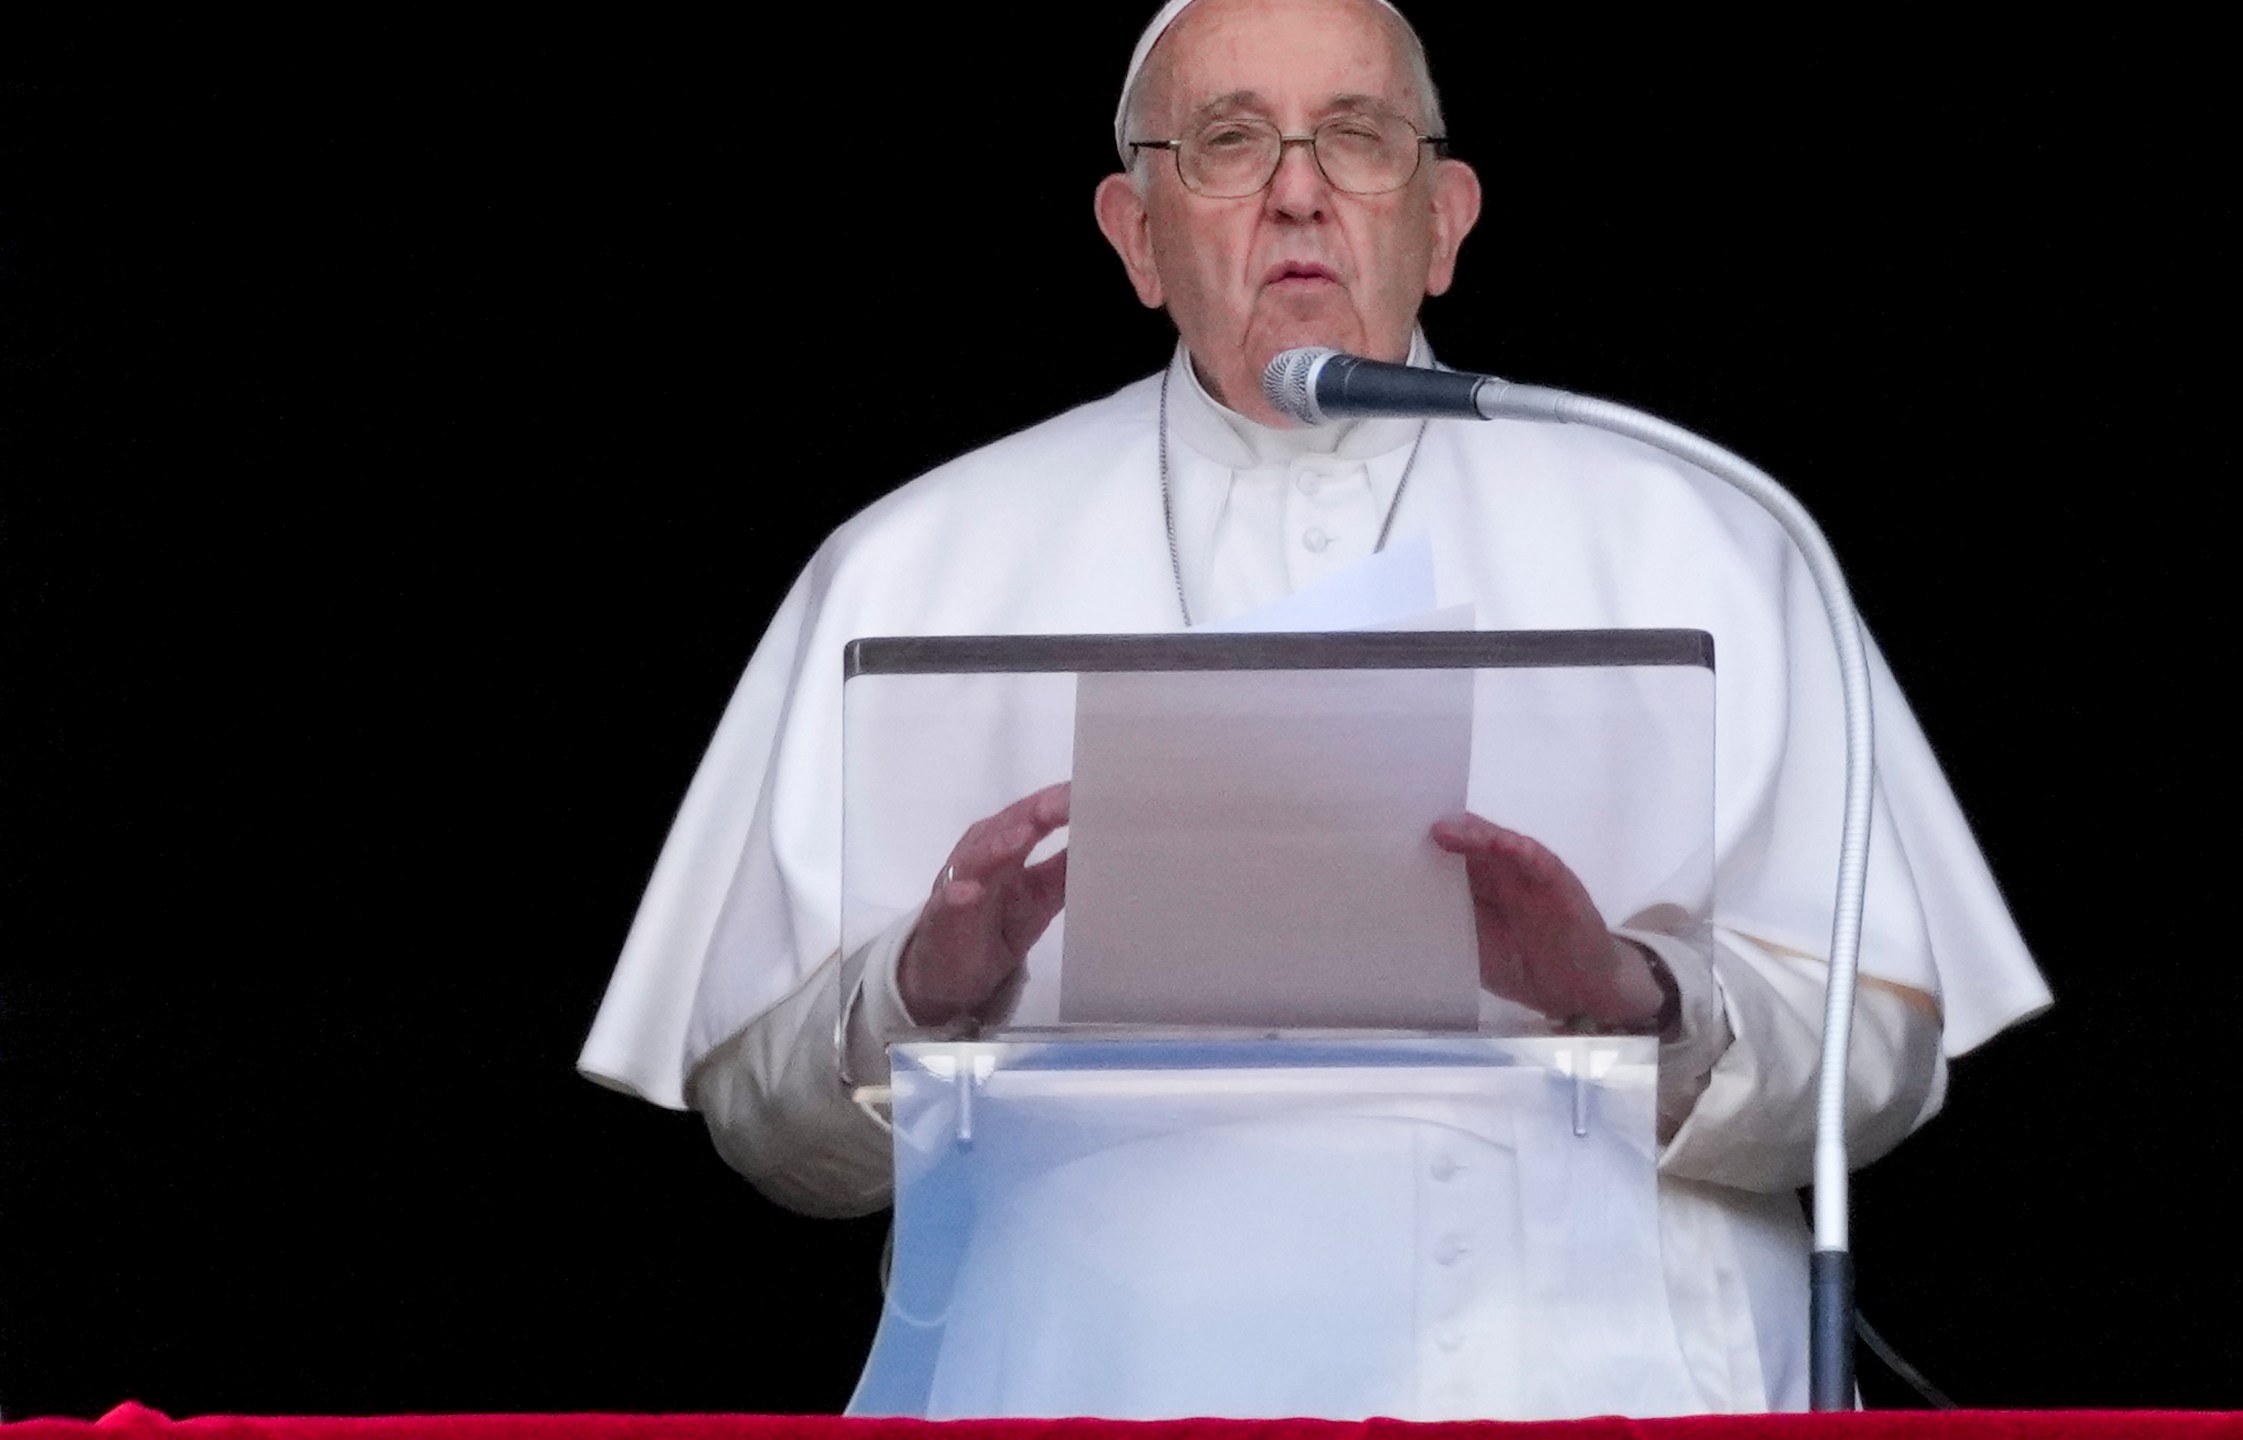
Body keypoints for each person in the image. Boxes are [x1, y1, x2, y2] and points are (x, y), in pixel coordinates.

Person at [578, 0, 2049, 1417]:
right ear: (1135, 235)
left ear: (1447, 217)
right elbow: (767, 1128)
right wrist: (920, 995)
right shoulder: (912, 562)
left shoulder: (1705, 530)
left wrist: (1633, 1001)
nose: (1298, 195)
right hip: (1088, 1391)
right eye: (1227, 141)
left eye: (1356, 136)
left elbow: (1882, 1061)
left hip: (1593, 1387)